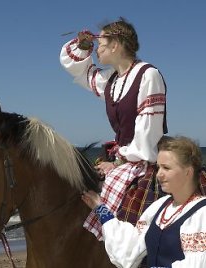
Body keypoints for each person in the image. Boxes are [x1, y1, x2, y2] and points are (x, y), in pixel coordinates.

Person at [60, 17, 168, 239]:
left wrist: (119, 162)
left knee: (130, 229)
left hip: (144, 160)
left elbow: (148, 132)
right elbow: (80, 71)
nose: (97, 51)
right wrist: (82, 46)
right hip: (123, 158)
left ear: (115, 45)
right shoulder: (111, 80)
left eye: (100, 45)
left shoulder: (148, 75)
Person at [81, 136, 206, 267]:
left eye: (166, 168)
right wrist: (100, 208)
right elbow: (130, 247)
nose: (159, 174)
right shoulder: (161, 206)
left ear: (188, 172)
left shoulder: (203, 214)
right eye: (158, 167)